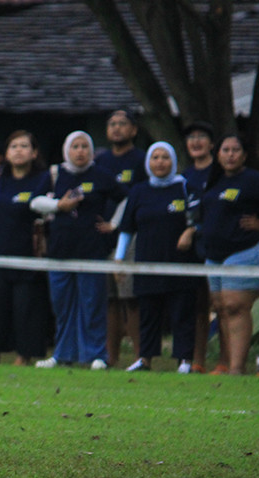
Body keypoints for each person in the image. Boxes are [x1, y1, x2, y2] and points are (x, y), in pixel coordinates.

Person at [185, 134, 259, 375]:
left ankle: (237, 368)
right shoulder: (214, 180)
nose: (230, 154)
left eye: (236, 150)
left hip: (246, 249)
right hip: (214, 255)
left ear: (244, 156)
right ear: (218, 154)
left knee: (235, 306)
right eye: (226, 150)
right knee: (221, 307)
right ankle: (224, 364)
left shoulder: (253, 180)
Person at [30, 130, 127, 370]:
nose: (80, 151)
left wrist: (113, 224)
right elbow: (34, 202)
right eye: (75, 146)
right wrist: (59, 205)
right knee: (62, 304)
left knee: (92, 303)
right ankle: (63, 353)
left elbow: (126, 199)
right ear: (67, 150)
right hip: (60, 250)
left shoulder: (102, 175)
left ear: (92, 150)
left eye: (85, 146)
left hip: (91, 250)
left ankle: (96, 355)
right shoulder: (55, 174)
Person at [113, 141, 198, 373]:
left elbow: (199, 219)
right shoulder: (139, 191)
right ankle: (145, 358)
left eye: (165, 157)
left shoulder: (184, 188)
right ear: (148, 162)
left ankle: (184, 360)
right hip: (146, 262)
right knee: (148, 313)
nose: (160, 162)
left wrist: (190, 232)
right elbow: (127, 228)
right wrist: (119, 260)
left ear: (173, 161)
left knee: (182, 313)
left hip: (180, 263)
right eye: (155, 157)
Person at [0, 130, 51, 365]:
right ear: (6, 153)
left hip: (29, 253)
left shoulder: (44, 177)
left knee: (26, 308)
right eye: (14, 146)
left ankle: (24, 355)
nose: (19, 150)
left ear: (34, 152)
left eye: (24, 146)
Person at [95, 110, 145, 367]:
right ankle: (109, 358)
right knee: (110, 300)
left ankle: (139, 356)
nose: (116, 128)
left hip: (131, 238)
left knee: (130, 299)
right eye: (111, 124)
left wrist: (116, 224)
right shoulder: (100, 161)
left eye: (122, 124)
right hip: (102, 240)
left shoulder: (141, 161)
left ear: (134, 130)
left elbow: (137, 198)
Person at [181, 120, 217, 374]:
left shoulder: (220, 173)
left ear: (212, 144)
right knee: (196, 305)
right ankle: (197, 360)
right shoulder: (183, 176)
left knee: (221, 304)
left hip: (216, 245)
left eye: (201, 136)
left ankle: (226, 361)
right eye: (191, 137)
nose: (195, 141)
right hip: (188, 250)